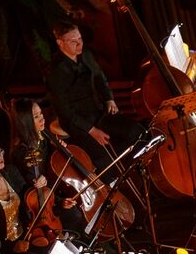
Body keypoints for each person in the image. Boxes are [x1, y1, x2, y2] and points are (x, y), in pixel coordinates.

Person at [46, 21, 139, 157]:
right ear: (60, 43)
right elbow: (64, 111)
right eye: (73, 41)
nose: (79, 44)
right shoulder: (54, 71)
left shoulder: (86, 55)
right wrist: (92, 130)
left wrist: (109, 99)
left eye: (80, 39)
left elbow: (100, 77)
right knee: (104, 153)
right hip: (77, 122)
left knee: (134, 131)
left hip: (97, 111)